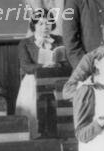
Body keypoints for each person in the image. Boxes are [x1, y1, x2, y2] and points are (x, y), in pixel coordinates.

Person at [16, 9, 68, 138]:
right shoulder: (25, 43)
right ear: (34, 26)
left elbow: (69, 62)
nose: (45, 27)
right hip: (33, 82)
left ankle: (56, 135)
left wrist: (58, 64)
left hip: (56, 80)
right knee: (36, 115)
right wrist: (43, 66)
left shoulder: (60, 40)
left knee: (56, 113)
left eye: (48, 23)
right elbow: (26, 66)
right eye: (40, 24)